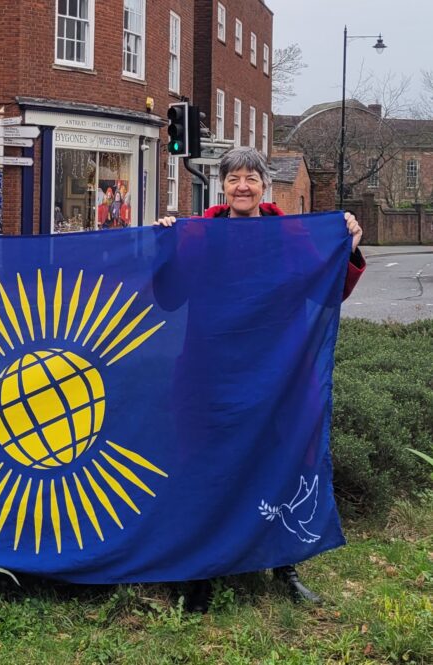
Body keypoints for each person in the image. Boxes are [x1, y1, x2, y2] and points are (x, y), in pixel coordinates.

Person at [153, 146, 365, 612]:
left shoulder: (290, 233)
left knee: (281, 460)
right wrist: (167, 246)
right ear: (222, 186)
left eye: (251, 177)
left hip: (279, 372)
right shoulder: (199, 233)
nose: (243, 186)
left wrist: (346, 246)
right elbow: (170, 297)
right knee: (204, 466)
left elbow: (328, 290)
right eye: (234, 179)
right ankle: (201, 570)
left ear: (265, 184)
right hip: (211, 372)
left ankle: (283, 564)